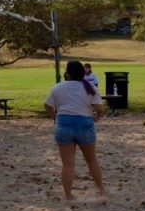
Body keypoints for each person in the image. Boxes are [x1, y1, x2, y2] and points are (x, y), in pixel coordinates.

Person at [44, 60, 107, 201]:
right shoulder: (90, 87)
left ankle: (68, 195)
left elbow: (47, 105)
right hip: (84, 122)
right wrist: (97, 117)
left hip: (64, 122)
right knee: (91, 160)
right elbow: (100, 108)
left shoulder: (58, 88)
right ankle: (101, 189)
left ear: (67, 73)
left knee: (67, 164)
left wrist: (55, 117)